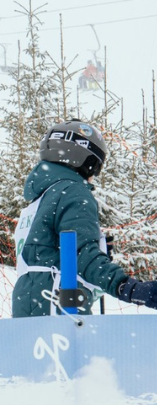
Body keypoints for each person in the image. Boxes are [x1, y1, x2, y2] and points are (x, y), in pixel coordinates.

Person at [12, 119, 157, 316]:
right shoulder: (72, 192)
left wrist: (99, 247)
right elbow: (82, 256)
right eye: (95, 166)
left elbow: (46, 252)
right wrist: (129, 288)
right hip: (60, 302)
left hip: (28, 300)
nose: (93, 175)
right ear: (84, 159)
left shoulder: (39, 198)